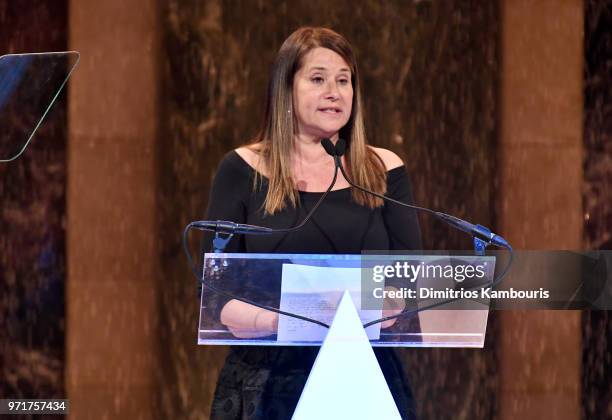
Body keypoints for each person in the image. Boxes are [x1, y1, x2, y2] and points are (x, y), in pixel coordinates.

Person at [204, 26, 421, 420]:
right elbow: (217, 293)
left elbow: (406, 278)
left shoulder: (384, 170)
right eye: (318, 79)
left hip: (366, 375)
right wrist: (285, 321)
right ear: (286, 91)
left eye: (343, 81)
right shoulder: (241, 170)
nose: (334, 92)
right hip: (267, 381)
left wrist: (385, 305)